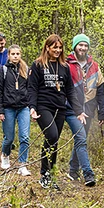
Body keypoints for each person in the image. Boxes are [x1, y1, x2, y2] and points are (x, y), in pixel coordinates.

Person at [27, 34, 85, 189]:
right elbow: (32, 89)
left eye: (60, 48)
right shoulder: (38, 65)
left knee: (54, 141)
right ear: (47, 47)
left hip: (60, 108)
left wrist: (78, 110)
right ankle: (44, 174)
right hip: (43, 107)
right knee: (51, 135)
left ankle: (50, 175)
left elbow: (70, 91)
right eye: (55, 47)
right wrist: (32, 108)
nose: (58, 50)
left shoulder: (65, 67)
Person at [66, 34, 104, 187]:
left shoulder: (94, 66)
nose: (82, 48)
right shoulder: (66, 64)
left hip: (89, 106)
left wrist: (102, 111)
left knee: (80, 138)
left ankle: (73, 170)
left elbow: (101, 89)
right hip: (72, 108)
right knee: (81, 139)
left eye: (85, 45)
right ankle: (88, 173)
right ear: (75, 46)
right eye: (80, 45)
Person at [0, 45, 32, 177]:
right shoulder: (3, 70)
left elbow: (31, 88)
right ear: (8, 55)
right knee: (9, 138)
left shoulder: (25, 70)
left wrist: (31, 105)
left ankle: (23, 165)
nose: (15, 56)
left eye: (18, 54)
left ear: (20, 55)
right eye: (13, 54)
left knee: (25, 137)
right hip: (8, 108)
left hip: (23, 107)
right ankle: (5, 155)